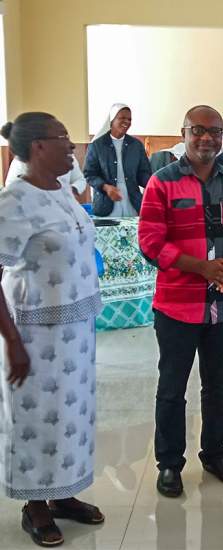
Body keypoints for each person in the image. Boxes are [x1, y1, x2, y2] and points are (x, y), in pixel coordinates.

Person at [138, 105, 223, 497]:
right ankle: (170, 463)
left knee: (218, 387)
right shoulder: (162, 182)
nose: (207, 138)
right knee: (172, 388)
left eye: (214, 132)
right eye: (199, 130)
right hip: (176, 307)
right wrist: (202, 268)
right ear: (184, 132)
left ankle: (214, 454)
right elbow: (151, 243)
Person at [0, 112, 105, 547]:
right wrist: (13, 344)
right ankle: (35, 506)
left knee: (71, 418)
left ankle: (62, 494)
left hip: (75, 334)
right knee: (36, 420)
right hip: (34, 337)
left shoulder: (61, 191)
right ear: (38, 147)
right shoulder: (14, 202)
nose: (72, 146)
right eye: (63, 138)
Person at [84, 103, 152, 217]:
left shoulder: (136, 145)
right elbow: (89, 174)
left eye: (129, 119)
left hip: (132, 201)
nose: (127, 122)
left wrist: (155, 186)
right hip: (106, 203)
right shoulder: (97, 145)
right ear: (112, 120)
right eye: (122, 118)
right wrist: (105, 187)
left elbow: (143, 173)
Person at [6, 155, 88, 201]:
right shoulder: (22, 158)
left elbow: (80, 179)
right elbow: (11, 185)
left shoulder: (69, 157)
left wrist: (74, 190)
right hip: (32, 206)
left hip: (64, 204)